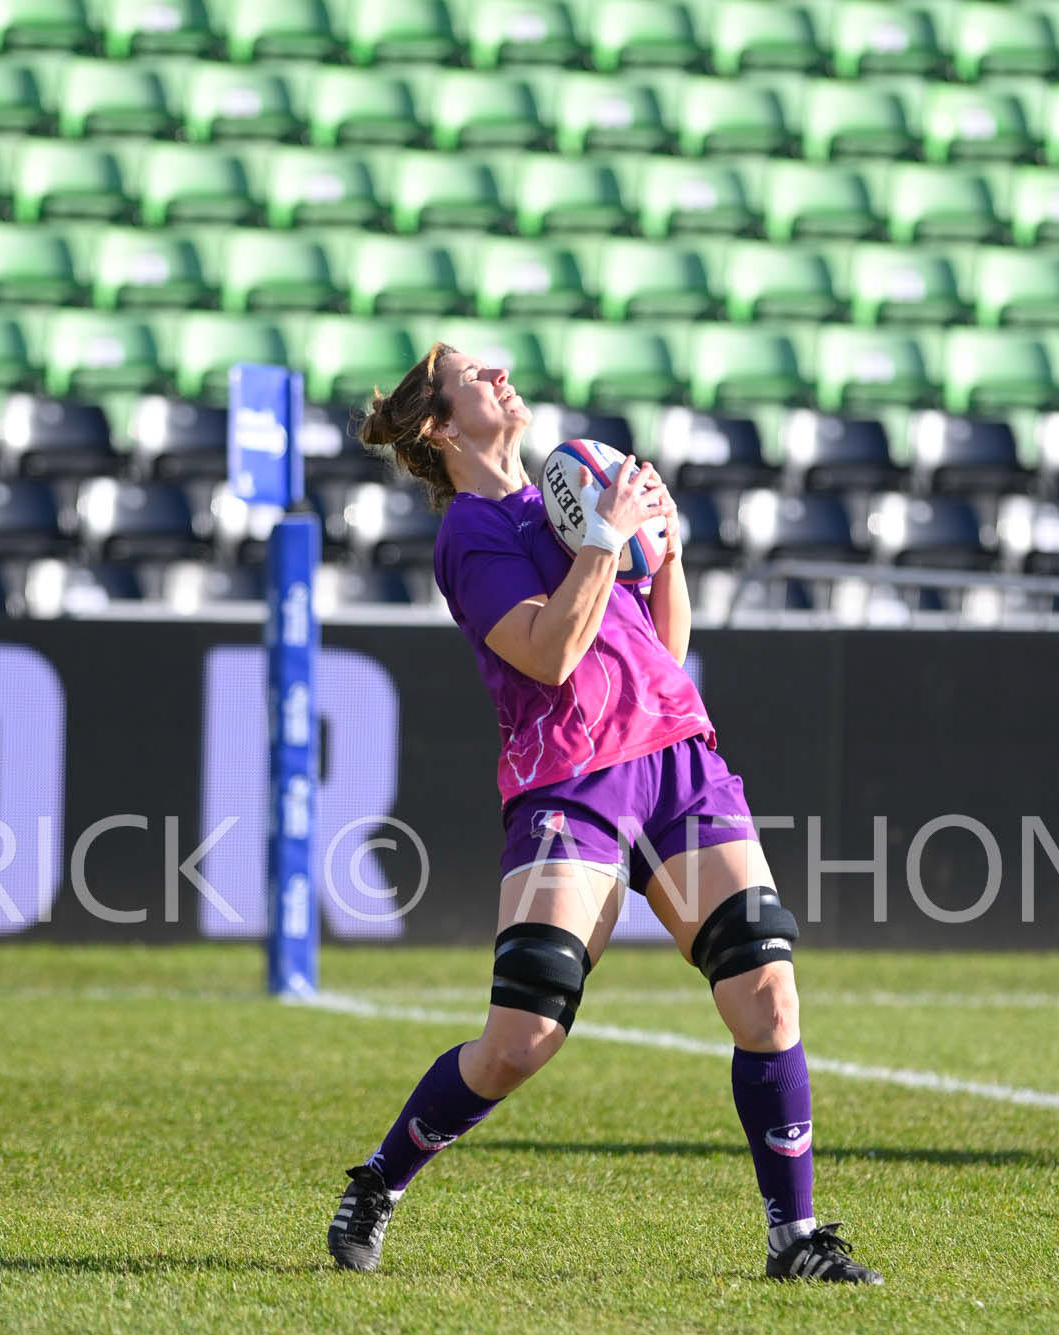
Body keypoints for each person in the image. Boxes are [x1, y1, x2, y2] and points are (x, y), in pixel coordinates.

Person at [327, 343, 881, 1286]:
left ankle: (795, 1238)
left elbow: (660, 646)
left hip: (677, 758)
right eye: (473, 375)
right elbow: (546, 655)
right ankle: (381, 1178)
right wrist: (604, 538)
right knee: (522, 1039)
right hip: (570, 780)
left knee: (767, 994)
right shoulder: (470, 534)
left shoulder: (564, 491)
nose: (499, 372)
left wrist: (663, 551)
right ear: (439, 427)